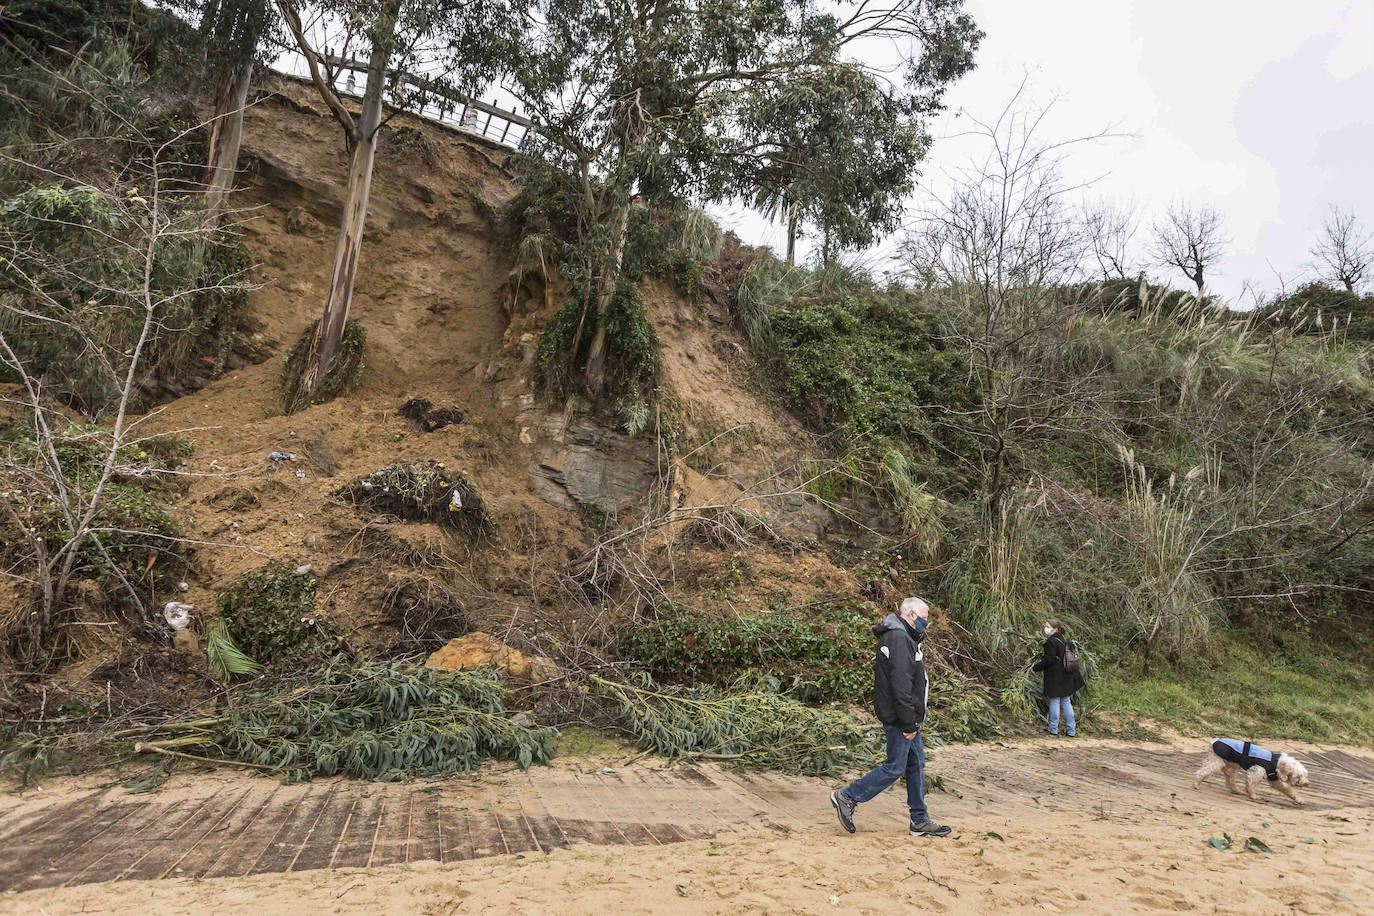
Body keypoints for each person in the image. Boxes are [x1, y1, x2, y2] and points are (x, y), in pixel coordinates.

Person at [830, 597, 952, 838]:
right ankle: (847, 797)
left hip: (908, 717)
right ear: (912, 616)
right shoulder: (898, 638)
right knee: (895, 767)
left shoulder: (905, 637)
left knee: (916, 763)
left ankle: (919, 820)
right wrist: (908, 722)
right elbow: (901, 686)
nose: (927, 623)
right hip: (900, 718)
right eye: (925, 618)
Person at [1032, 619, 1085, 737]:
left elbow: (1049, 659)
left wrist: (1035, 668)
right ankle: (1071, 730)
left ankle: (1053, 729)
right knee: (1066, 701)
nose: (1045, 629)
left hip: (1055, 676)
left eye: (1047, 626)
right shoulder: (1065, 640)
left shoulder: (1051, 642)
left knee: (1055, 700)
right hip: (1067, 675)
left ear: (1054, 629)